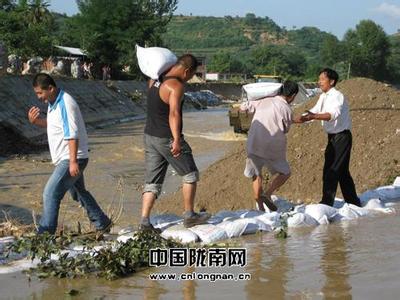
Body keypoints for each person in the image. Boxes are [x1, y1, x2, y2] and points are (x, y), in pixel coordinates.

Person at [27, 73, 111, 234]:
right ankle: (102, 222)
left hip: (72, 158)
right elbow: (54, 126)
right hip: (69, 158)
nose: (39, 97)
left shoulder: (65, 103)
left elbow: (72, 134)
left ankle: (45, 235)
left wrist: (72, 162)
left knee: (50, 193)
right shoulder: (54, 103)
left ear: (50, 88)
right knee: (78, 193)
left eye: (40, 93)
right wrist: (35, 122)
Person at [140, 54, 210, 232]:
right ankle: (189, 216)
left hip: (149, 136)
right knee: (190, 174)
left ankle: (145, 222)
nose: (188, 79)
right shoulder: (175, 86)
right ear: (186, 71)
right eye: (190, 75)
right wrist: (177, 140)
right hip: (166, 137)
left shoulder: (154, 80)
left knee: (152, 182)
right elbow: (173, 114)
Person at [299, 68, 361, 207]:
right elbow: (314, 112)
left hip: (342, 137)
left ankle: (327, 203)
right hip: (332, 138)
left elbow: (333, 114)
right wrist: (297, 119)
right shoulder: (323, 96)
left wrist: (313, 116)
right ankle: (353, 201)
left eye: (322, 79)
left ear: (331, 81)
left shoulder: (337, 96)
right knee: (342, 172)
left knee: (331, 170)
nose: (319, 82)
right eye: (319, 79)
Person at [241, 81, 299, 212]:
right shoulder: (287, 110)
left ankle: (260, 208)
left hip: (254, 142)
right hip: (273, 145)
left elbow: (244, 107)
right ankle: (268, 193)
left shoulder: (265, 100)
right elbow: (285, 129)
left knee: (256, 174)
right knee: (285, 172)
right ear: (293, 95)